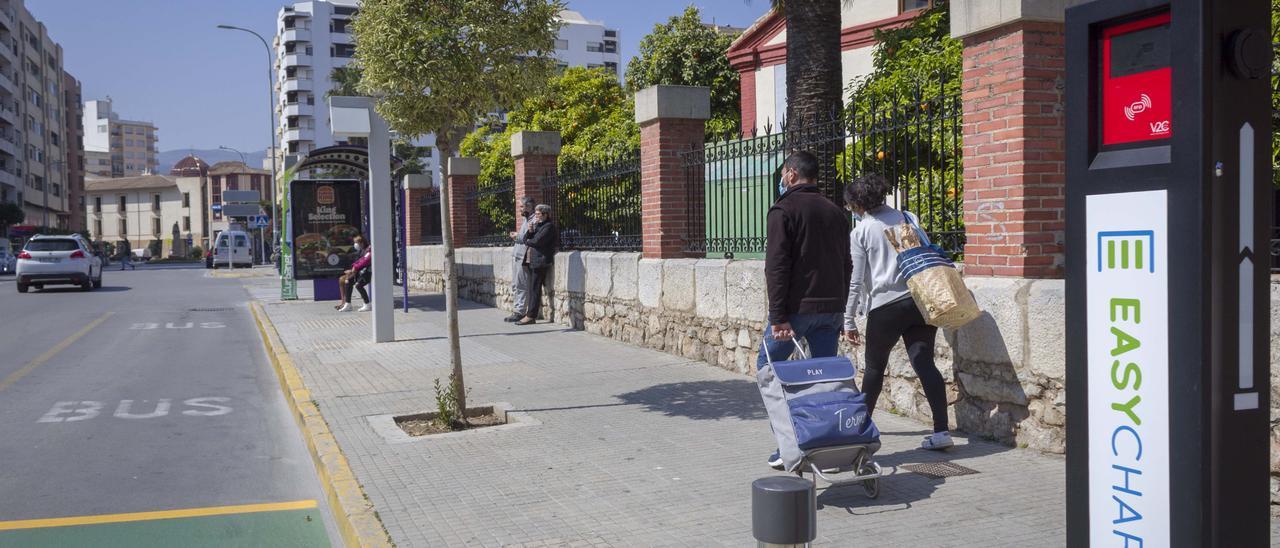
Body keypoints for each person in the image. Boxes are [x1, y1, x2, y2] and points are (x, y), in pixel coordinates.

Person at [842, 173, 952, 451]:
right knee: (924, 363)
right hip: (917, 299)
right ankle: (941, 431)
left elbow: (856, 280)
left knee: (875, 369)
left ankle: (861, 434)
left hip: (885, 306)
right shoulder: (908, 217)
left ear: (857, 204)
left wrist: (848, 320)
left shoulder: (861, 232)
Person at [758, 150, 852, 470]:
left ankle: (791, 445)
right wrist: (840, 308)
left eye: (784, 173)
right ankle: (825, 441)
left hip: (796, 312)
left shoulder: (783, 210)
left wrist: (778, 317)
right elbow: (846, 263)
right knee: (825, 379)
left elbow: (777, 268)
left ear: (791, 175)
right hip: (831, 309)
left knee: (768, 370)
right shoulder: (836, 212)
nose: (782, 178)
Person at [514, 204, 557, 326]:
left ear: (545, 214)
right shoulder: (539, 225)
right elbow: (528, 238)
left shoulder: (548, 227)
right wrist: (531, 230)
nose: (536, 217)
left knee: (535, 289)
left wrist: (528, 240)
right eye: (536, 214)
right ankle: (530, 314)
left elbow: (536, 241)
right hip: (533, 261)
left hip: (540, 262)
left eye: (538, 214)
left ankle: (531, 316)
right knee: (532, 288)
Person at [505, 197, 537, 322]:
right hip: (517, 255)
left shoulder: (533, 220)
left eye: (521, 207)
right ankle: (518, 309)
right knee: (516, 284)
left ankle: (520, 311)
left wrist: (516, 236)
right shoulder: (526, 219)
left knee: (521, 284)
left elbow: (527, 237)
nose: (520, 209)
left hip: (523, 256)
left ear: (529, 206)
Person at [337, 237, 371, 312]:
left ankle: (367, 304)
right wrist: (353, 267)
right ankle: (347, 303)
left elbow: (365, 261)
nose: (356, 245)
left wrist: (354, 268)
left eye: (357, 243)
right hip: (360, 272)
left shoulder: (368, 250)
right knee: (348, 280)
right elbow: (360, 260)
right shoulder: (362, 250)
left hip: (367, 273)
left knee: (358, 285)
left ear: (362, 243)